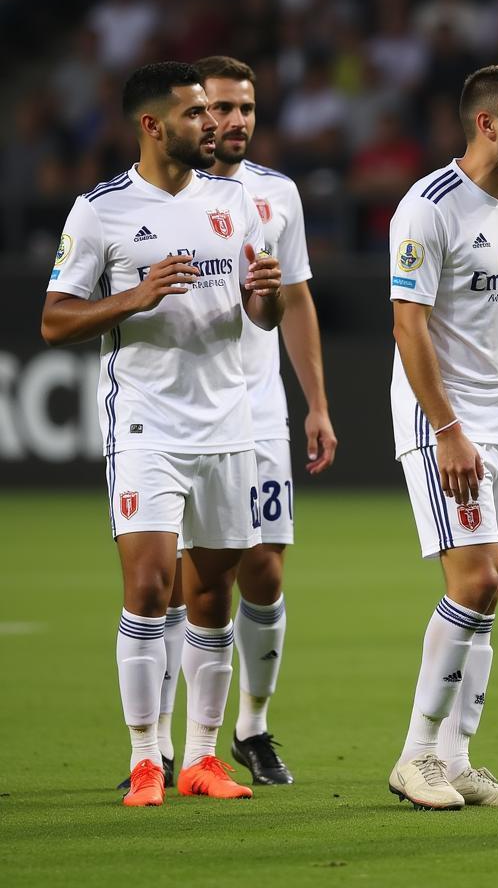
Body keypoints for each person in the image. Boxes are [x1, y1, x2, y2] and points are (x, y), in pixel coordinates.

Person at [41, 61, 284, 807]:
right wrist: (134, 298)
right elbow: (54, 321)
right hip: (146, 423)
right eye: (195, 116)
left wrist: (261, 299)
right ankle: (148, 757)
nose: (212, 126)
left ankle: (204, 760)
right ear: (152, 126)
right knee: (148, 587)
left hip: (228, 419)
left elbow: (258, 318)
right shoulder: (100, 210)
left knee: (212, 594)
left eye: (214, 114)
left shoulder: (237, 202)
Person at [388, 61, 498, 810]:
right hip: (446, 421)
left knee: (492, 596)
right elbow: (409, 325)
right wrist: (449, 429)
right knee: (476, 580)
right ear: (488, 123)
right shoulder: (427, 208)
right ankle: (416, 755)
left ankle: (458, 760)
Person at [191, 54, 336, 783]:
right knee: (189, 574)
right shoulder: (163, 195)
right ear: (192, 113)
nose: (235, 120)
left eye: (245, 107)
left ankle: (254, 724)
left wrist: (315, 402)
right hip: (188, 412)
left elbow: (298, 299)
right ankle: (164, 746)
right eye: (220, 107)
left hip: (259, 406)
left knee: (265, 568)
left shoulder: (277, 194)